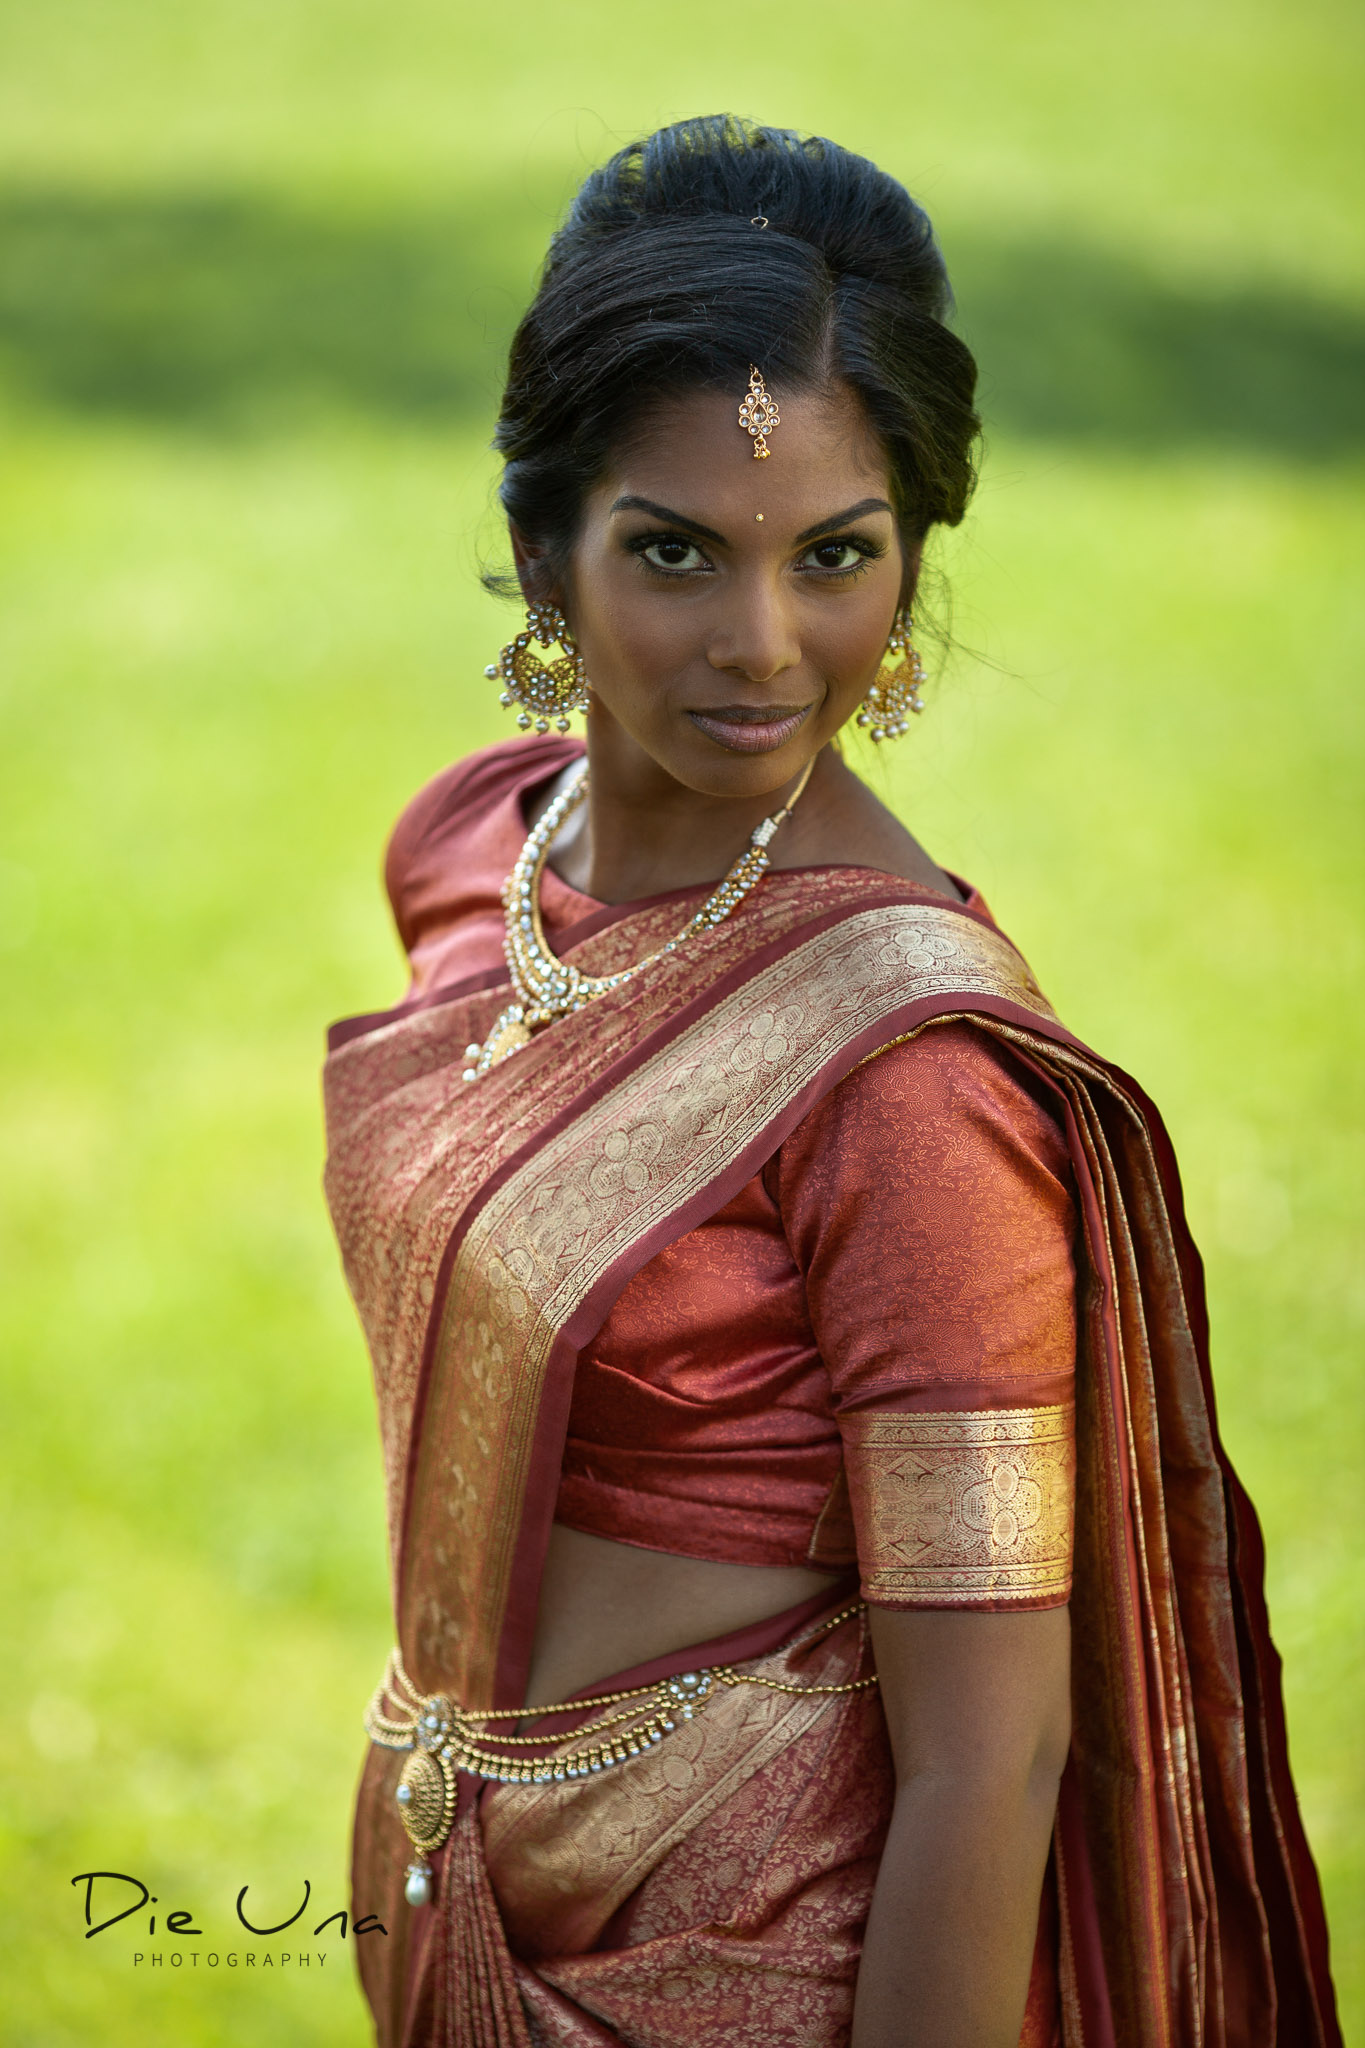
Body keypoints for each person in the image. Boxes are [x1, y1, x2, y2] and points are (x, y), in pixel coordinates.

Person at [324, 117, 1339, 2047]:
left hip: (749, 1951)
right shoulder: (472, 856)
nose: (763, 645)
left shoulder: (902, 1073)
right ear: (544, 546)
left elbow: (996, 1759)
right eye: (676, 552)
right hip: (454, 1868)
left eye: (840, 557)